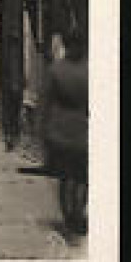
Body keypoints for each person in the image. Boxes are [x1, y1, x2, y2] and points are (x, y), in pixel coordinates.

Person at [42, 23, 89, 237]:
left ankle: (70, 215)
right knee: (81, 177)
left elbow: (46, 103)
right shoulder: (90, 70)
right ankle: (77, 212)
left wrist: (43, 131)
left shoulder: (56, 70)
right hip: (83, 129)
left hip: (61, 129)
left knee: (65, 177)